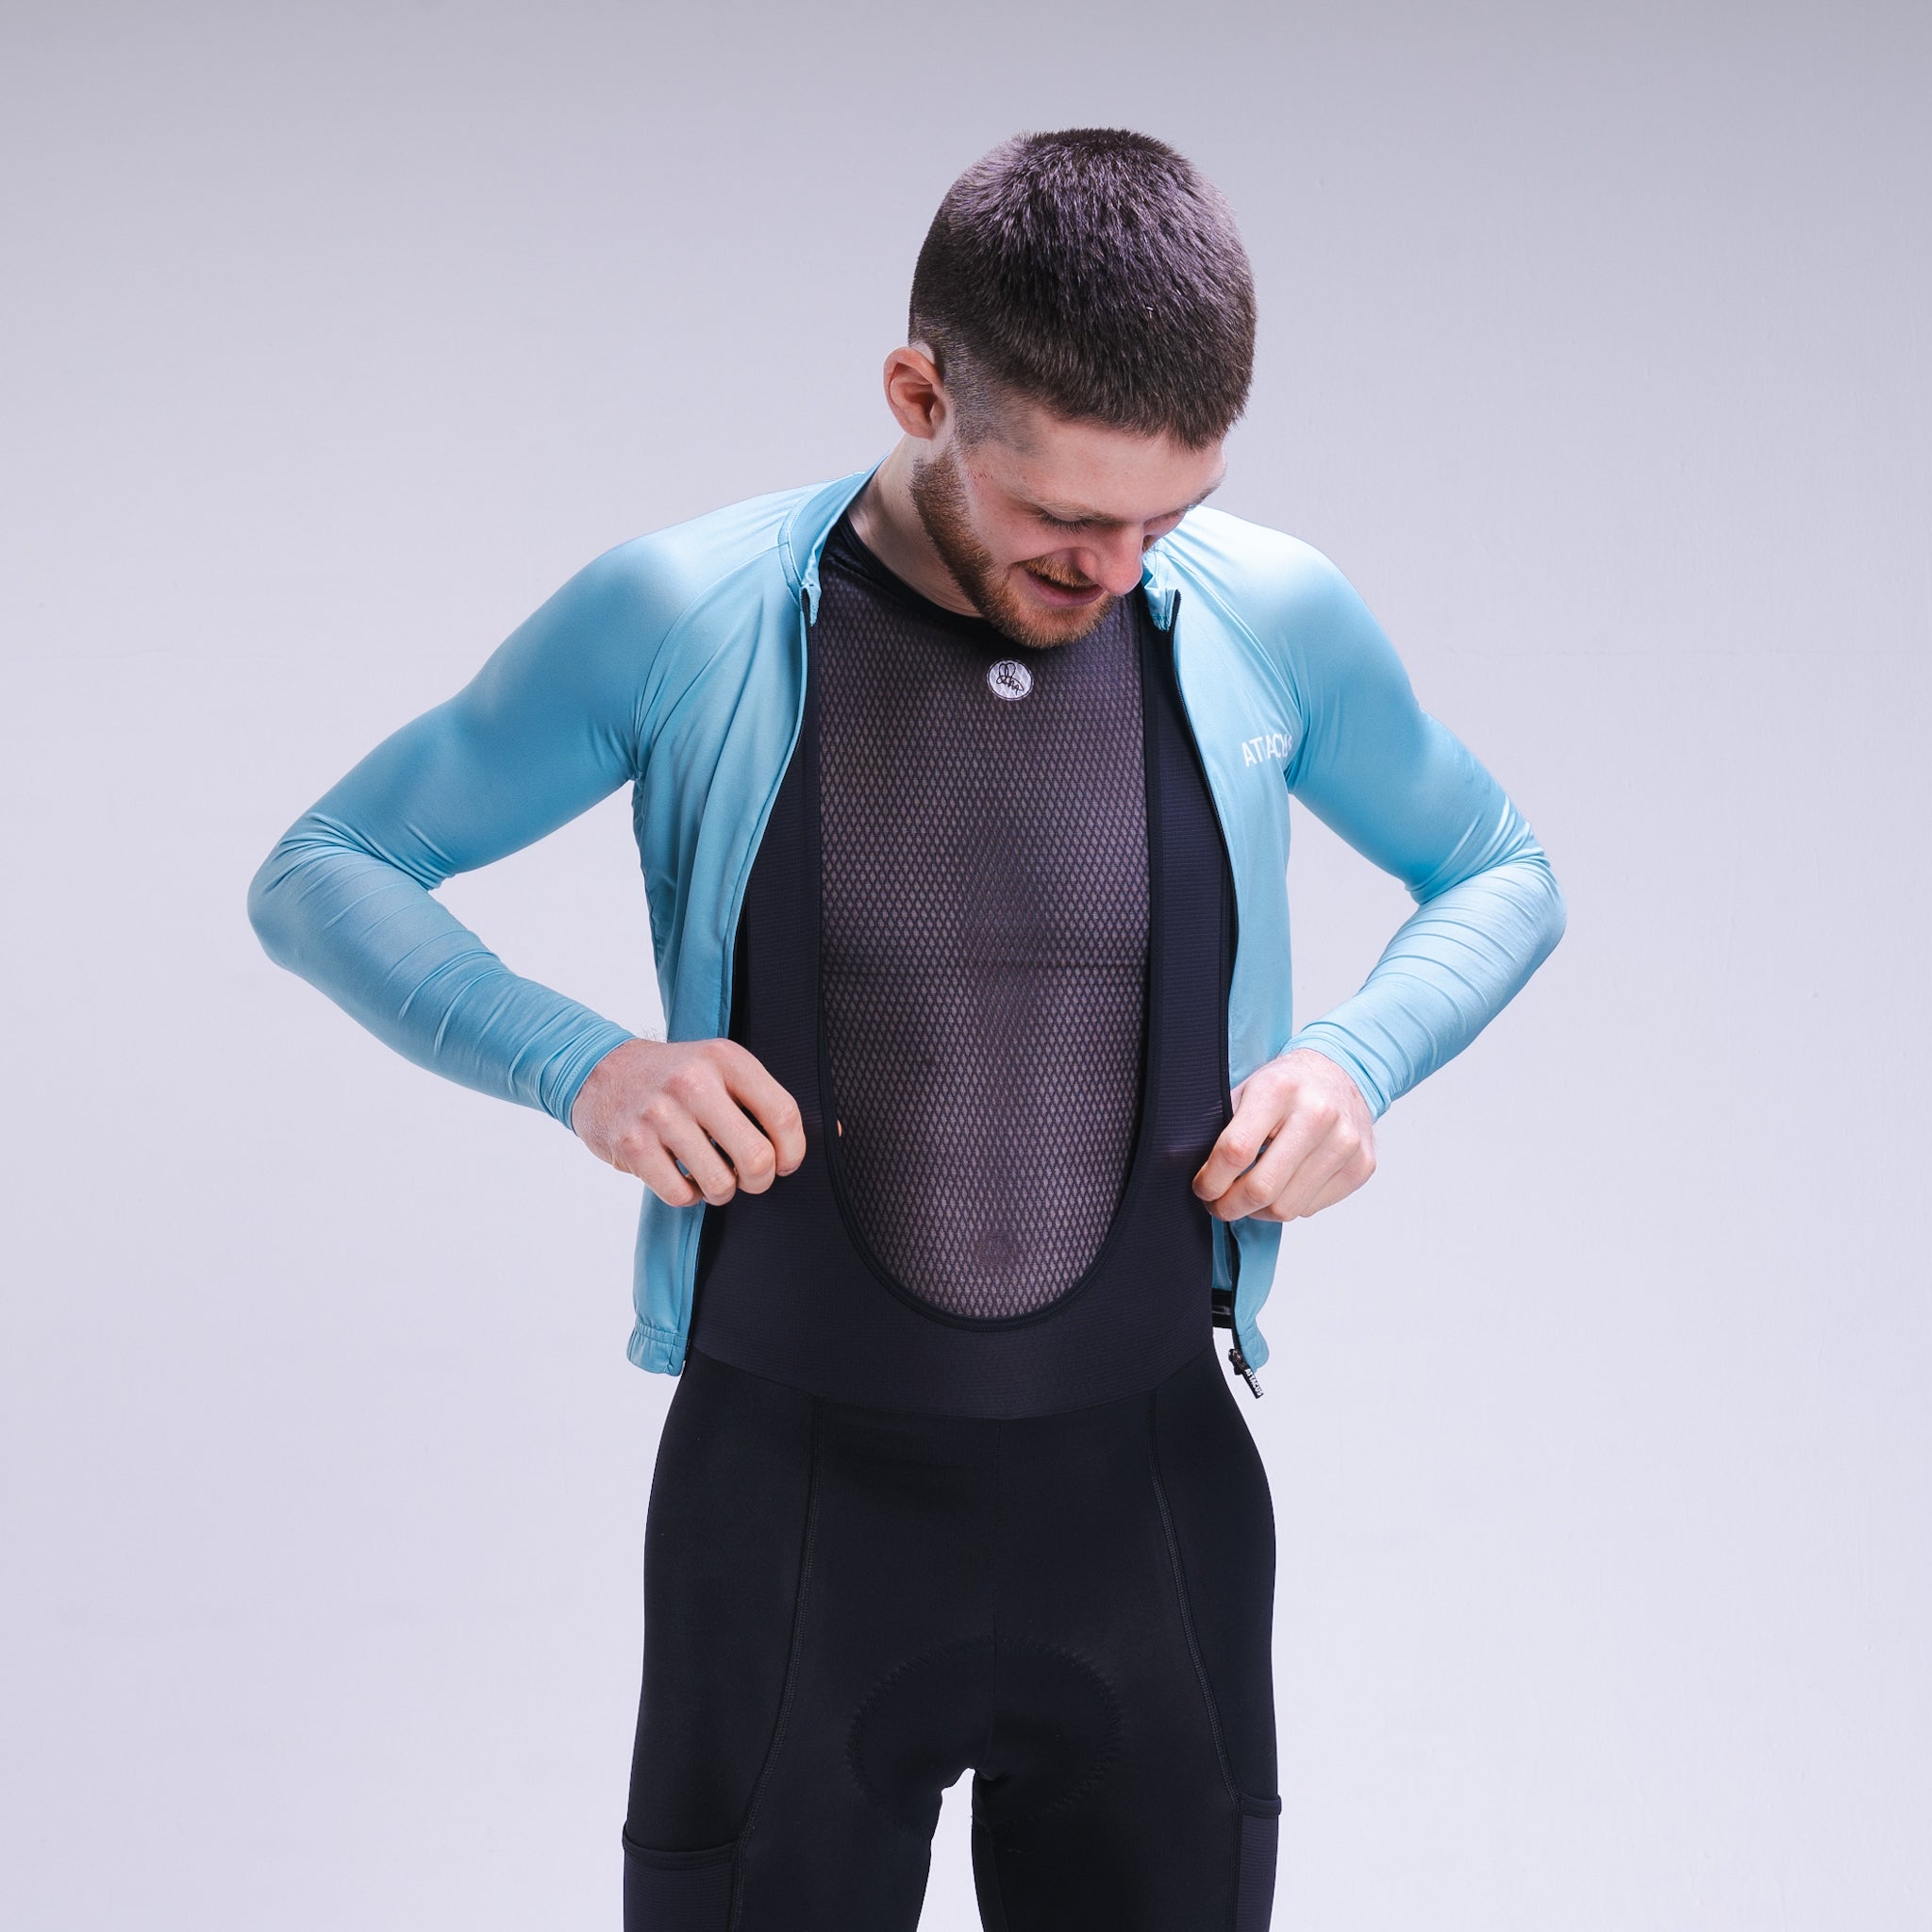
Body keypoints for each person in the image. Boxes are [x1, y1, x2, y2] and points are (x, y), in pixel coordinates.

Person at [249, 127, 1564, 1932]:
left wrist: (1355, 1060)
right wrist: (583, 1065)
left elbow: (1499, 869)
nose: (1118, 569)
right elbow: (327, 868)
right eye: (1065, 517)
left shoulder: (1267, 613)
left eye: (1168, 517)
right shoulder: (683, 612)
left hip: (1153, 1512)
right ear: (920, 394)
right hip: (789, 1525)